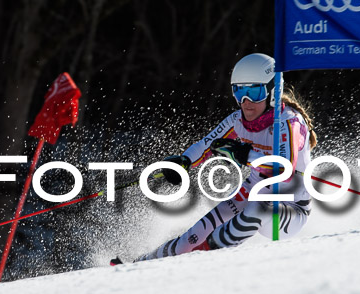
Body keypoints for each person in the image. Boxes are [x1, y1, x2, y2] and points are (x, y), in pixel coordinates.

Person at [128, 53, 318, 262]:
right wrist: (184, 161)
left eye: (254, 92)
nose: (245, 101)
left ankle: (205, 256)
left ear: (272, 92)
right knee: (192, 236)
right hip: (252, 191)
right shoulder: (237, 120)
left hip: (290, 207)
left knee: (258, 207)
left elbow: (284, 170)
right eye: (239, 91)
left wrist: (245, 155)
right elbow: (206, 145)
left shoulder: (289, 123)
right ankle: (142, 262)